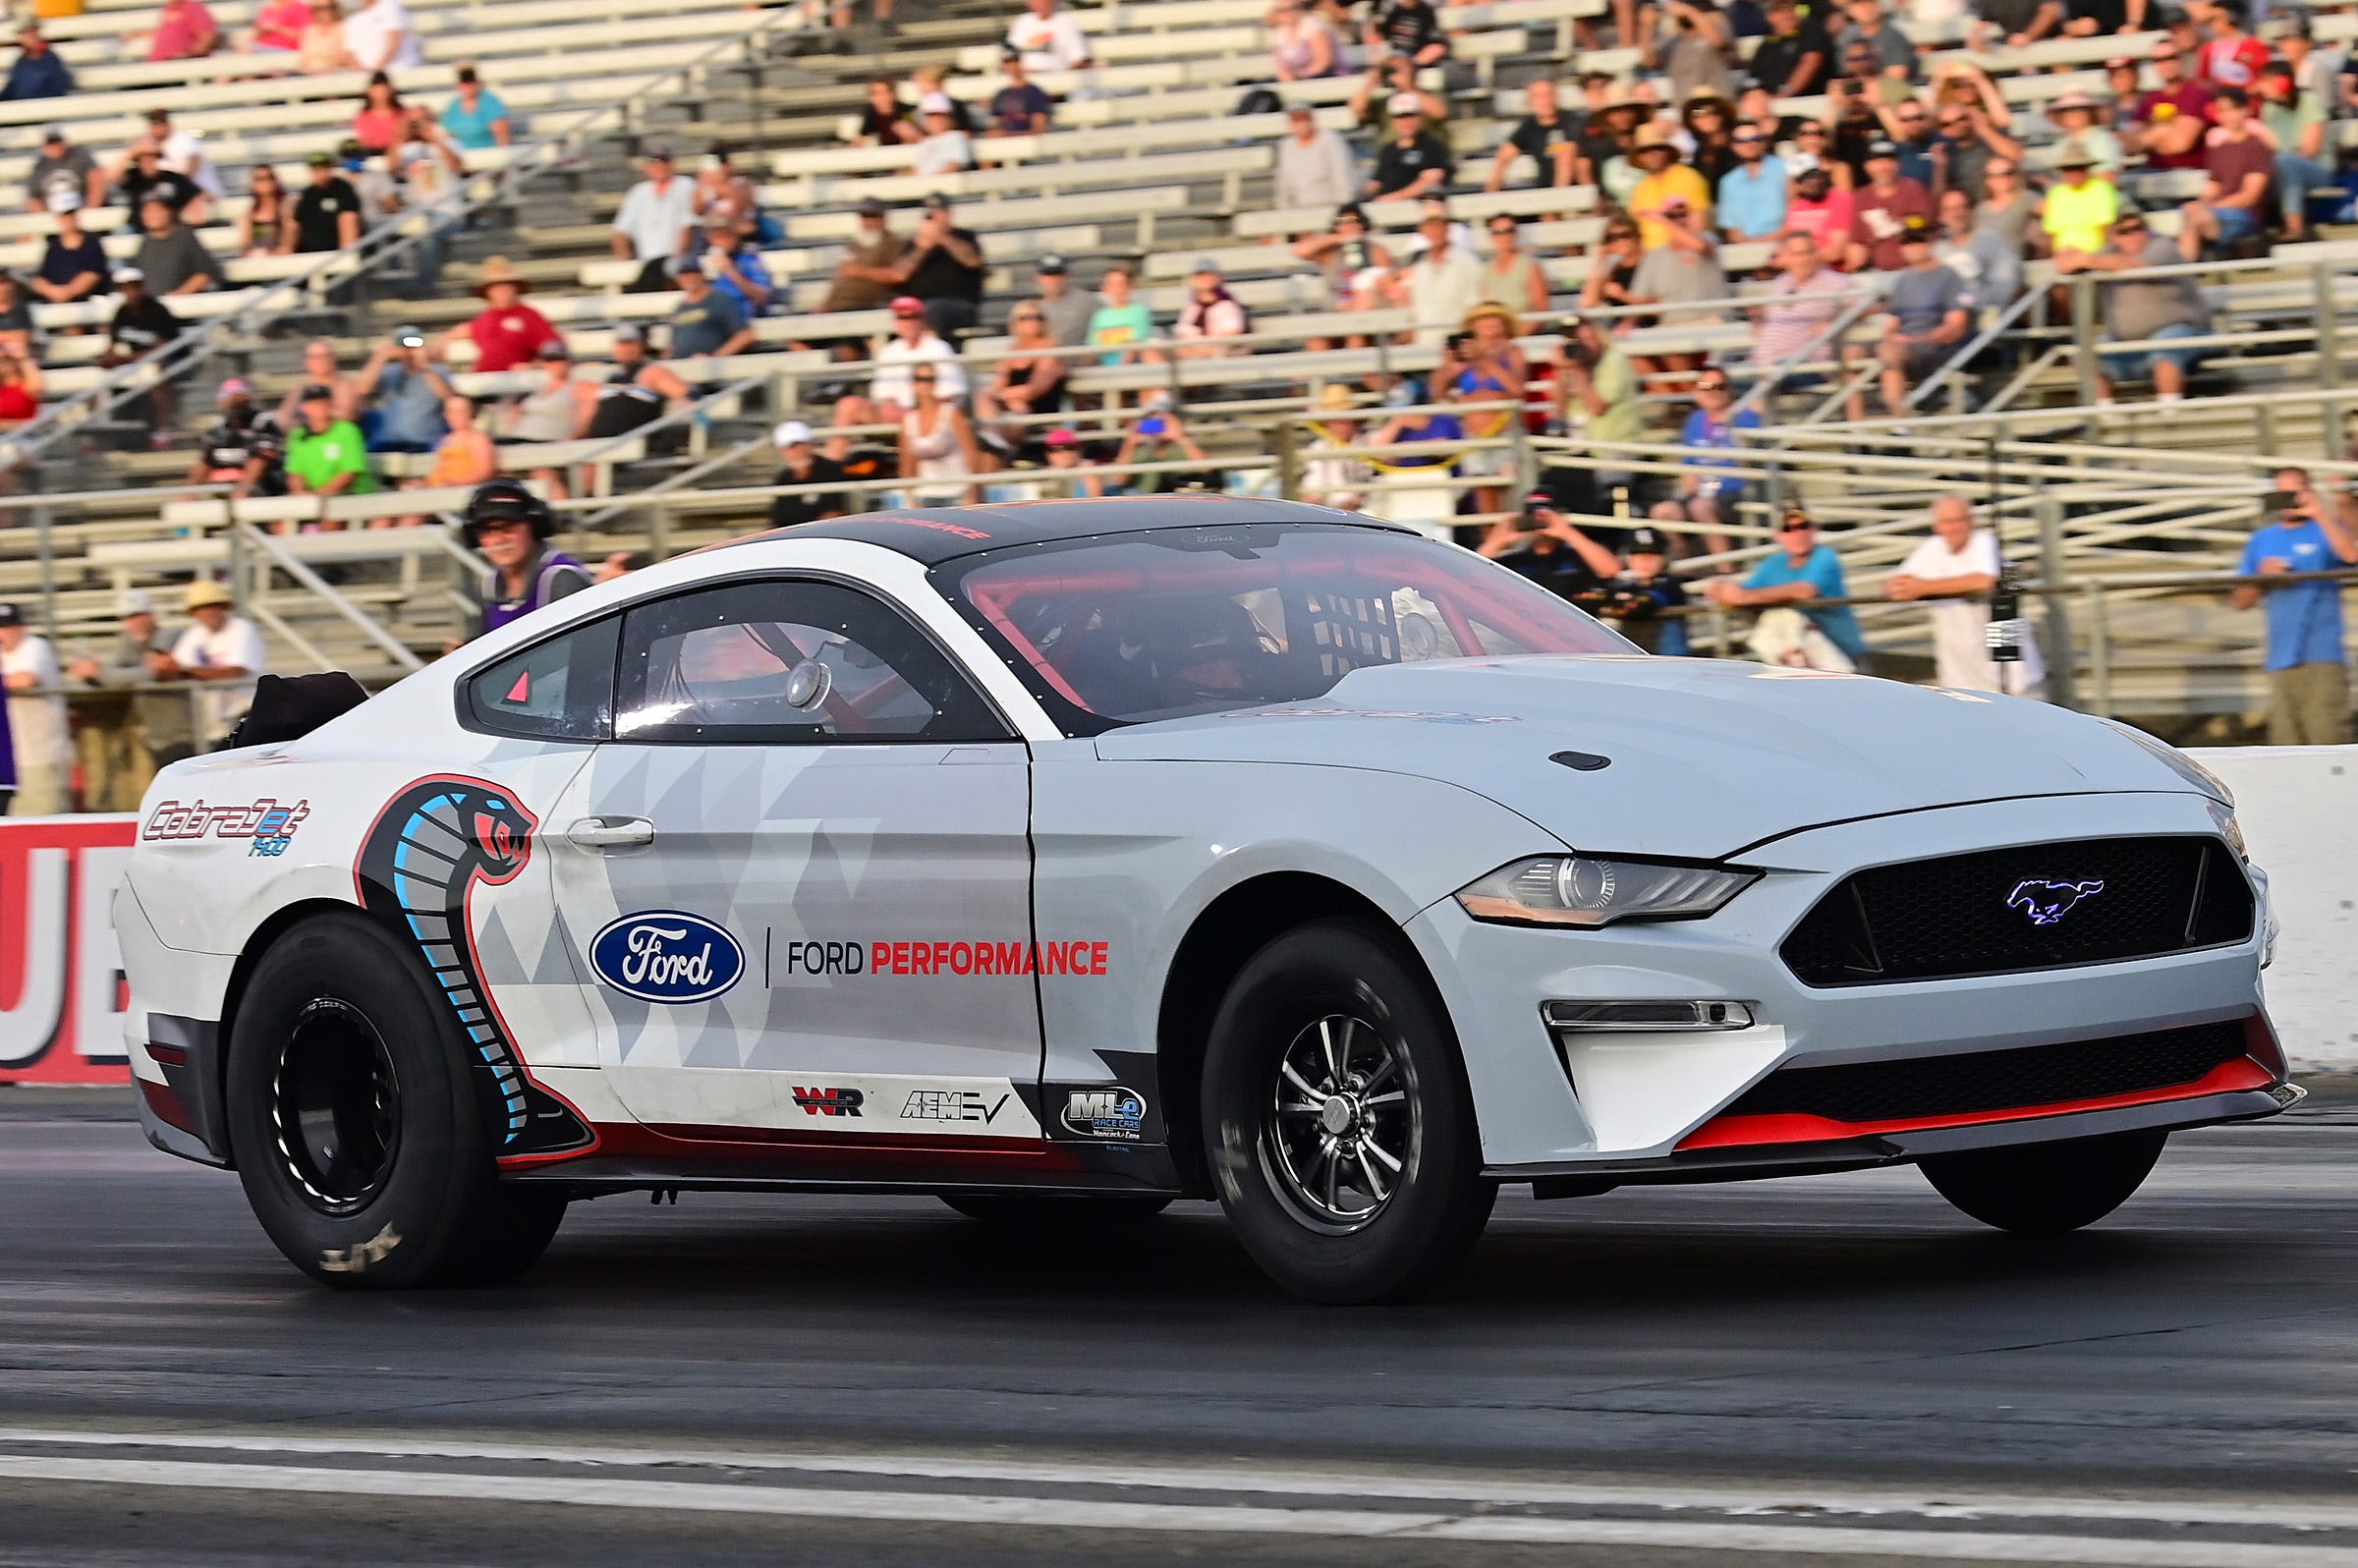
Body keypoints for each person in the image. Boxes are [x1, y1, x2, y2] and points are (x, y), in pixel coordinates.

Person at [2231, 467, 2358, 743]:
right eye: (2281, 493)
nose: (2287, 500)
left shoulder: (2325, 530)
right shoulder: (2262, 539)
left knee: (2328, 738)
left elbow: (2351, 554)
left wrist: (2320, 513)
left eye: (2293, 492)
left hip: (2322, 653)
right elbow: (2240, 600)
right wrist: (2262, 578)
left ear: (2307, 492)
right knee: (2285, 743)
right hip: (2280, 657)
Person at [1883, 493, 2045, 697]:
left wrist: (1923, 586)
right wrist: (1915, 587)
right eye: (1947, 522)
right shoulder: (1933, 547)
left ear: (1971, 521)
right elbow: (1896, 586)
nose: (1953, 528)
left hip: (2006, 657)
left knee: (2019, 706)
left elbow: (1984, 580)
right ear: (1937, 525)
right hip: (1960, 672)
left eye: (1959, 520)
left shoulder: (1983, 541)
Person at [1702, 508, 1872, 671]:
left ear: (1814, 529)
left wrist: (1742, 595)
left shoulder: (1824, 556)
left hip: (1844, 658)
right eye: (1788, 528)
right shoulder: (1775, 562)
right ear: (1778, 535)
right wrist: (1721, 587)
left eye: (1803, 526)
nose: (1798, 534)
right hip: (1799, 662)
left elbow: (1805, 591)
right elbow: (1744, 592)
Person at [69, 591, 193, 809]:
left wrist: (100, 673)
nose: (133, 622)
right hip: (156, 733)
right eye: (128, 617)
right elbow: (122, 676)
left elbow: (153, 671)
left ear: (151, 614)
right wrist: (94, 677)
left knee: (186, 794)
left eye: (138, 615)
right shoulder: (129, 643)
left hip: (183, 730)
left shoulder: (170, 636)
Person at [1852, 213, 1971, 420]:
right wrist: (1893, 338)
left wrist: (1912, 341)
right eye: (1907, 241)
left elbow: (1955, 328)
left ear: (1930, 241)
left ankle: (1901, 424)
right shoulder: (1903, 280)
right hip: (1901, 346)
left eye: (1918, 240)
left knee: (1889, 353)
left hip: (1932, 349)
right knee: (1851, 354)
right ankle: (1856, 427)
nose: (1913, 246)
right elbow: (1891, 324)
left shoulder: (1948, 276)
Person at [825, 297, 966, 462]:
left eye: (912, 317)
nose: (907, 322)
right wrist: (892, 407)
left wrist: (915, 410)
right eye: (901, 317)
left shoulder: (938, 349)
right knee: (848, 405)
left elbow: (951, 395)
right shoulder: (890, 351)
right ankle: (832, 466)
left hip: (927, 414)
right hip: (895, 414)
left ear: (922, 319)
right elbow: (883, 396)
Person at [459, 479, 589, 643]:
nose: (498, 540)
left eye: (508, 528)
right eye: (488, 531)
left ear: (535, 527)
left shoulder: (561, 579)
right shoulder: (490, 584)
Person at [1651, 365, 1756, 557]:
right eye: (1706, 387)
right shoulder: (1695, 420)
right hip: (1701, 492)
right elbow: (1689, 467)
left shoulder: (1744, 417)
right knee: (1662, 512)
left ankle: (1726, 570)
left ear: (1730, 390)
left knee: (1700, 506)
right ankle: (1685, 565)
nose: (1713, 392)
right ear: (1697, 392)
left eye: (1720, 387)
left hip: (1733, 492)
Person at [162, 579, 267, 747]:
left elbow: (234, 672)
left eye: (213, 606)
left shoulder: (242, 629)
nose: (208, 612)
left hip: (246, 714)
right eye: (201, 608)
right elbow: (174, 669)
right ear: (194, 614)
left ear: (223, 607)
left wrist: (186, 671)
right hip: (215, 722)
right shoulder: (194, 635)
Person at [2179, 85, 2272, 254]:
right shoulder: (2219, 148)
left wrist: (2211, 207)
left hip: (2245, 216)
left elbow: (2250, 196)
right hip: (2218, 213)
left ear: (2246, 110)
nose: (2227, 116)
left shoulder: (2257, 147)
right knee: (2190, 213)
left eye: (2232, 110)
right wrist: (2201, 203)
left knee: (2194, 220)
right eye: (2222, 111)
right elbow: (2213, 185)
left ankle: (2185, 271)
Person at [1479, 490, 1620, 598]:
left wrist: (1568, 533)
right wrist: (1496, 542)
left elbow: (1610, 570)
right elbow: (1466, 572)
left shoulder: (1577, 557)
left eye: (1546, 516)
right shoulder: (1514, 561)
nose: (1539, 521)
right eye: (1532, 515)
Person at [101, 268, 183, 442]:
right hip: (135, 360)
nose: (130, 292)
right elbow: (113, 343)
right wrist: (107, 357)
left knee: (156, 373)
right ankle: (98, 433)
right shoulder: (122, 313)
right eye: (125, 288)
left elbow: (165, 348)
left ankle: (163, 426)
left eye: (134, 287)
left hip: (170, 360)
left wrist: (126, 359)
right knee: (95, 376)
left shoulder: (157, 311)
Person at [0, 605, 67, 814]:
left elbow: (26, 679)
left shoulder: (35, 647)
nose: (5, 633)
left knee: (43, 827)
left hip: (41, 756)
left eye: (10, 627)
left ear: (22, 627)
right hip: (12, 759)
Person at [2257, 60, 2331, 240]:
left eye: (2267, 80)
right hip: (2283, 167)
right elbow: (2270, 147)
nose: (2262, 86)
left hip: (2317, 168)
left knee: (2285, 163)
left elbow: (2311, 149)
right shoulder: (2268, 108)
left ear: (2283, 81)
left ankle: (2295, 228)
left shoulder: (2309, 101)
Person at [441, 256, 555, 373]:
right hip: (484, 381)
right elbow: (460, 331)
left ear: (515, 288)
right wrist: (441, 344)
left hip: (516, 382)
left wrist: (534, 365)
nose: (501, 290)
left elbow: (554, 349)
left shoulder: (529, 316)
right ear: (488, 292)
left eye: (505, 285)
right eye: (495, 286)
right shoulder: (484, 318)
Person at [1588, 527, 1692, 653]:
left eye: (1652, 556)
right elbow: (1587, 601)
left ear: (1664, 558)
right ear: (1628, 558)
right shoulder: (1625, 586)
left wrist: (1614, 601)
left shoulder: (1670, 585)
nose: (1645, 562)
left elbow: (1644, 604)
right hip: (1636, 658)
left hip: (1668, 661)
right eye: (1638, 556)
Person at [893, 194, 984, 336]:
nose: (935, 217)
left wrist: (941, 237)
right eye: (931, 213)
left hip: (958, 305)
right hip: (920, 305)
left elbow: (972, 260)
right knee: (906, 315)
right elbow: (900, 274)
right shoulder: (915, 243)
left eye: (939, 212)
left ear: (949, 214)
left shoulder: (964, 236)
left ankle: (930, 353)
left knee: (933, 311)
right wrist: (921, 249)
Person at [1395, 203, 1484, 347]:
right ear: (1422, 230)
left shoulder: (1466, 262)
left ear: (1447, 228)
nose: (1435, 230)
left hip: (1455, 344)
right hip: (1424, 344)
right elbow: (1416, 310)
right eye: (1430, 225)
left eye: (1439, 224)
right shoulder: (1420, 265)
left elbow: (1473, 309)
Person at [611, 146, 694, 294]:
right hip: (648, 263)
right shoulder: (638, 192)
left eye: (664, 162)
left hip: (674, 261)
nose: (659, 166)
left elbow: (688, 225)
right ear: (646, 167)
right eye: (654, 163)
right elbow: (620, 231)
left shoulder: (686, 186)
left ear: (672, 164)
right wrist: (623, 257)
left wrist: (679, 257)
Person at [356, 327, 450, 453]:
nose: (408, 352)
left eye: (412, 346)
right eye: (404, 346)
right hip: (389, 440)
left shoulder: (438, 371)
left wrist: (424, 368)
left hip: (425, 440)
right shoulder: (390, 372)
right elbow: (362, 389)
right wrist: (380, 358)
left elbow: (449, 398)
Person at [282, 383, 376, 508]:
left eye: (324, 402)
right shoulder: (298, 434)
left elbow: (349, 472)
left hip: (348, 496)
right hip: (313, 497)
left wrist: (319, 496)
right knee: (279, 524)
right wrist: (300, 494)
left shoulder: (347, 431)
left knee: (331, 521)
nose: (320, 407)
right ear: (305, 407)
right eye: (315, 403)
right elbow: (295, 472)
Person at [2127, 40, 2215, 174]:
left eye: (2171, 58)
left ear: (2181, 59)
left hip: (2191, 173)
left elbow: (2181, 143)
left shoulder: (2196, 93)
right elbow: (2132, 144)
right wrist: (2163, 132)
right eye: (2158, 60)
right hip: (2155, 172)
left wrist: (2152, 135)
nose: (2165, 64)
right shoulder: (2151, 99)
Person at [816, 196, 910, 319]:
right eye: (865, 215)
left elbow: (897, 275)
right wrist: (826, 303)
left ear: (883, 218)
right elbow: (840, 278)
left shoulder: (894, 244)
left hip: (865, 303)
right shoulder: (854, 245)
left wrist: (861, 271)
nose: (869, 220)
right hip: (838, 305)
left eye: (873, 215)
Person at [1847, 139, 1933, 271]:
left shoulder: (1913, 189)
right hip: (1877, 271)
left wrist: (1894, 224)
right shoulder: (1860, 197)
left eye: (1889, 161)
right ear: (1867, 166)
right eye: (1877, 161)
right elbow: (1857, 241)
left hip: (1912, 268)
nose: (1883, 167)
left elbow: (1920, 228)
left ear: (1898, 164)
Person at [191, 377, 285, 498]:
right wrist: (190, 492)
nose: (234, 401)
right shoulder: (219, 427)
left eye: (238, 396)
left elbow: (261, 459)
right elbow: (205, 462)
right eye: (229, 397)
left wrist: (242, 489)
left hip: (262, 486)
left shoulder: (262, 423)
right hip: (225, 488)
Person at [899, 366, 980, 506]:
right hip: (925, 493)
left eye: (930, 379)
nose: (926, 384)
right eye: (920, 379)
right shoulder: (909, 419)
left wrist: (973, 493)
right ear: (913, 383)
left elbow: (971, 453)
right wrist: (910, 496)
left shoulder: (951, 413)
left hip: (958, 492)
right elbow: (907, 463)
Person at [1933, 186, 2020, 309]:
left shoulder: (1991, 241)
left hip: (1984, 316)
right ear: (1941, 216)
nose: (1956, 214)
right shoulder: (1937, 250)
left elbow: (2004, 285)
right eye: (1949, 209)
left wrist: (1970, 302)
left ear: (1971, 210)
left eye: (1961, 207)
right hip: (1943, 318)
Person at [1627, 127, 1712, 251]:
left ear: (1667, 152)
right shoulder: (1641, 188)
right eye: (1644, 151)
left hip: (1684, 251)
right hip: (1650, 256)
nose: (1651, 154)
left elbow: (1699, 226)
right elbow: (1637, 230)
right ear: (1640, 157)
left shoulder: (1688, 177)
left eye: (1657, 148)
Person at [1491, 78, 1579, 192]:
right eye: (1538, 96)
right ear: (1529, 101)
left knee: (1565, 153)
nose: (1545, 100)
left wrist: (1558, 198)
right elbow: (1504, 156)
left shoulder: (1572, 121)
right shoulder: (1529, 126)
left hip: (1574, 188)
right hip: (1545, 187)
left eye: (1549, 94)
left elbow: (1567, 153)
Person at [1366, 95, 1454, 201]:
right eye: (1400, 117)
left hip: (1416, 206)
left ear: (1420, 117)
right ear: (1393, 121)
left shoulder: (1431, 146)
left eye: (1411, 116)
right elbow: (1376, 182)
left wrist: (1392, 198)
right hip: (1386, 205)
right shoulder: (1389, 150)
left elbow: (1431, 180)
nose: (1406, 122)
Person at [2040, 142, 2122, 256]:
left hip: (2094, 253)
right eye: (2068, 169)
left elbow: (2107, 228)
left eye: (2078, 169)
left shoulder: (2101, 189)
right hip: (2062, 254)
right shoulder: (2056, 193)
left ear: (2087, 169)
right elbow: (2051, 233)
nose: (2074, 173)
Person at [1276, 102, 1357, 212]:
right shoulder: (1286, 146)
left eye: (1303, 119)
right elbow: (1283, 185)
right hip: (1299, 209)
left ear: (1312, 120)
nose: (1300, 124)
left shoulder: (1331, 140)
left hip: (1330, 206)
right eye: (1295, 120)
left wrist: (1342, 212)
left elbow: (1343, 179)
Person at [767, 420, 849, 529]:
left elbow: (835, 514)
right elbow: (778, 520)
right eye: (791, 447)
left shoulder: (833, 471)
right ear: (782, 452)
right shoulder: (783, 479)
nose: (799, 451)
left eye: (801, 444)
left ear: (811, 444)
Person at [1718, 121, 1788, 242]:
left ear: (1764, 141)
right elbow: (1733, 229)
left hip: (1784, 244)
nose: (1750, 145)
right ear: (1733, 146)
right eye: (1741, 141)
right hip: (1745, 249)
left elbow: (1797, 218)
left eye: (1756, 139)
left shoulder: (1786, 170)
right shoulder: (1729, 182)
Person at [695, 217, 774, 317]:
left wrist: (730, 271)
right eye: (717, 237)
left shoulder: (749, 261)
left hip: (742, 314)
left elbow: (762, 296)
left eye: (726, 236)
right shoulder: (704, 262)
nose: (723, 241)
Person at [1748, 0, 1829, 97]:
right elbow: (1754, 76)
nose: (1787, 15)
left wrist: (1786, 93)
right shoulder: (1767, 44)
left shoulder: (1810, 31)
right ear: (1769, 17)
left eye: (1790, 10)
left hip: (1802, 98)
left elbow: (1811, 61)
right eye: (1780, 12)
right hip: (1767, 98)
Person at [286, 149, 361, 253]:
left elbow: (348, 218)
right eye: (316, 169)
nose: (321, 173)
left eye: (324, 168)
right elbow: (296, 224)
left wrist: (346, 252)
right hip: (308, 251)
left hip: (334, 249)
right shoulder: (308, 193)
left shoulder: (342, 189)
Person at [1784, 160, 1857, 267]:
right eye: (1803, 179)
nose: (1812, 182)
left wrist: (1795, 258)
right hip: (1803, 269)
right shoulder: (1796, 207)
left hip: (1832, 270)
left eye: (1814, 177)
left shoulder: (1840, 199)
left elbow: (1835, 253)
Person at [1086, 264, 1157, 369]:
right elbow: (1092, 348)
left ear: (1130, 287)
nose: (1118, 289)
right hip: (1105, 369)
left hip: (1133, 367)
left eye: (1121, 284)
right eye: (1112, 284)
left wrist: (1119, 370)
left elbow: (1134, 346)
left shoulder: (1139, 312)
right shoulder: (1099, 316)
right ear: (1105, 288)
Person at [1175, 259, 1250, 359]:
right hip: (1193, 354)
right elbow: (1183, 333)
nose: (1204, 279)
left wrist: (1205, 350)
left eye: (1209, 275)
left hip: (1220, 354)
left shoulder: (1227, 306)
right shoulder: (1191, 308)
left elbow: (1232, 335)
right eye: (1200, 275)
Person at [1478, 216, 1548, 315]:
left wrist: (1523, 330)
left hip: (1524, 325)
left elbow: (1541, 307)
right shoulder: (1486, 269)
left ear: (1516, 234)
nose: (1505, 236)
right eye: (1498, 232)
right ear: (1491, 236)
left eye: (1509, 231)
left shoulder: (1529, 266)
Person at [1005, 0, 1093, 74]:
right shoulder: (1022, 22)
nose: (1041, 3)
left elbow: (1080, 58)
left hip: (1057, 77)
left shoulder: (1065, 22)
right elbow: (1010, 56)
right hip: (1027, 81)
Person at [29, 126, 102, 214]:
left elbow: (96, 179)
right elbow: (33, 198)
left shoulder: (79, 157)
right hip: (55, 210)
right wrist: (48, 219)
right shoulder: (40, 166)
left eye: (57, 142)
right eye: (50, 144)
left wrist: (89, 210)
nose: (55, 147)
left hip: (80, 205)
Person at [1030, 252, 1095, 349]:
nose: (1054, 279)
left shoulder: (1087, 302)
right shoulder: (1033, 309)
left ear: (1067, 276)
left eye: (1058, 274)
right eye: (1048, 274)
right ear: (1038, 278)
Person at [441, 63, 512, 150]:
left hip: (487, 153)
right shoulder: (454, 105)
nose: (468, 86)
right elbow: (448, 134)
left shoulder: (490, 102)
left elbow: (501, 134)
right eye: (465, 82)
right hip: (461, 157)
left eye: (471, 82)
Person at [988, 47, 1052, 137]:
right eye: (1007, 63)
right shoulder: (1001, 94)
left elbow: (1039, 128)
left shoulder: (1035, 93)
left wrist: (1008, 135)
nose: (1011, 66)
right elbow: (997, 124)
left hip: (1027, 143)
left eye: (1014, 62)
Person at [340, 0, 417, 72]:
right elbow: (349, 53)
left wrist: (376, 70)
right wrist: (365, 73)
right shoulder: (353, 20)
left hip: (396, 70)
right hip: (369, 77)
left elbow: (394, 42)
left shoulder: (389, 6)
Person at [1365, 0, 1448, 66]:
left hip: (1413, 55)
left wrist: (1412, 62)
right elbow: (1376, 37)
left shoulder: (1426, 12)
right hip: (1392, 53)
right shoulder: (1393, 10)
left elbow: (1438, 45)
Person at [912, 92, 976, 177]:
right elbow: (917, 170)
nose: (936, 120)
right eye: (931, 115)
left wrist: (930, 182)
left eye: (941, 115)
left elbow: (953, 166)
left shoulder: (956, 137)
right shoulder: (925, 142)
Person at [2, 25, 73, 100]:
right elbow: (12, 86)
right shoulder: (21, 61)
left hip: (43, 104)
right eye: (24, 36)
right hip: (22, 105)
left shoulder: (50, 58)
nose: (27, 39)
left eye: (30, 35)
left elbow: (60, 83)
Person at [141, 0, 219, 61]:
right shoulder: (169, 9)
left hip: (177, 64)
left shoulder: (192, 8)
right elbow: (166, 30)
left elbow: (207, 36)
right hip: (160, 65)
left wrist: (190, 57)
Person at [855, 77, 917, 147]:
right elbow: (861, 137)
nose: (883, 97)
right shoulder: (871, 113)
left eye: (886, 92)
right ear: (871, 97)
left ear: (894, 93)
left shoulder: (907, 111)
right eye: (877, 93)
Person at [352, 71, 404, 152]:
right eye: (378, 90)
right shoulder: (364, 117)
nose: (381, 94)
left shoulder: (402, 114)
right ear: (370, 91)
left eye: (384, 90)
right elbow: (368, 141)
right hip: (375, 151)